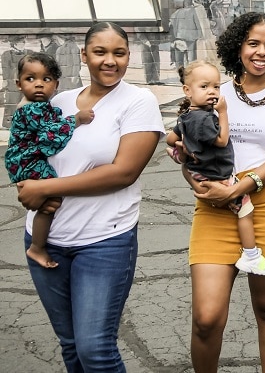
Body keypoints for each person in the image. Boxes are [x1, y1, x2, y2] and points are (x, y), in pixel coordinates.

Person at [16, 21, 164, 372]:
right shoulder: (61, 100)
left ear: (129, 56)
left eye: (119, 53)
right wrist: (26, 181)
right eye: (100, 52)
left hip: (104, 241)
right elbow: (31, 148)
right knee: (71, 347)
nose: (109, 61)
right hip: (45, 238)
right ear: (84, 56)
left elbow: (123, 172)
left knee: (95, 349)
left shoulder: (139, 101)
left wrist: (45, 189)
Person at [179, 12, 265, 373]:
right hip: (215, 208)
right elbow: (188, 146)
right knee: (206, 317)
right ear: (238, 45)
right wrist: (196, 181)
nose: (261, 51)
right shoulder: (212, 91)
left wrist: (240, 186)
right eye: (253, 43)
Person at [166, 60, 265, 275]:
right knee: (245, 210)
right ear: (187, 90)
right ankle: (251, 255)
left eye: (215, 86)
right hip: (218, 175)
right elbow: (222, 140)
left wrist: (179, 147)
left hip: (200, 171)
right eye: (204, 87)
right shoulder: (205, 119)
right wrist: (223, 112)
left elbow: (170, 138)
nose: (212, 91)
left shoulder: (187, 116)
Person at [5, 52, 94, 268]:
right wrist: (76, 119)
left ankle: (38, 244)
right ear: (18, 84)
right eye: (30, 79)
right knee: (50, 202)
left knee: (49, 202)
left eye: (46, 79)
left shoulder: (39, 107)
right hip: (28, 162)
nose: (38, 85)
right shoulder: (31, 109)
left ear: (56, 84)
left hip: (24, 159)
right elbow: (48, 138)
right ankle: (37, 247)